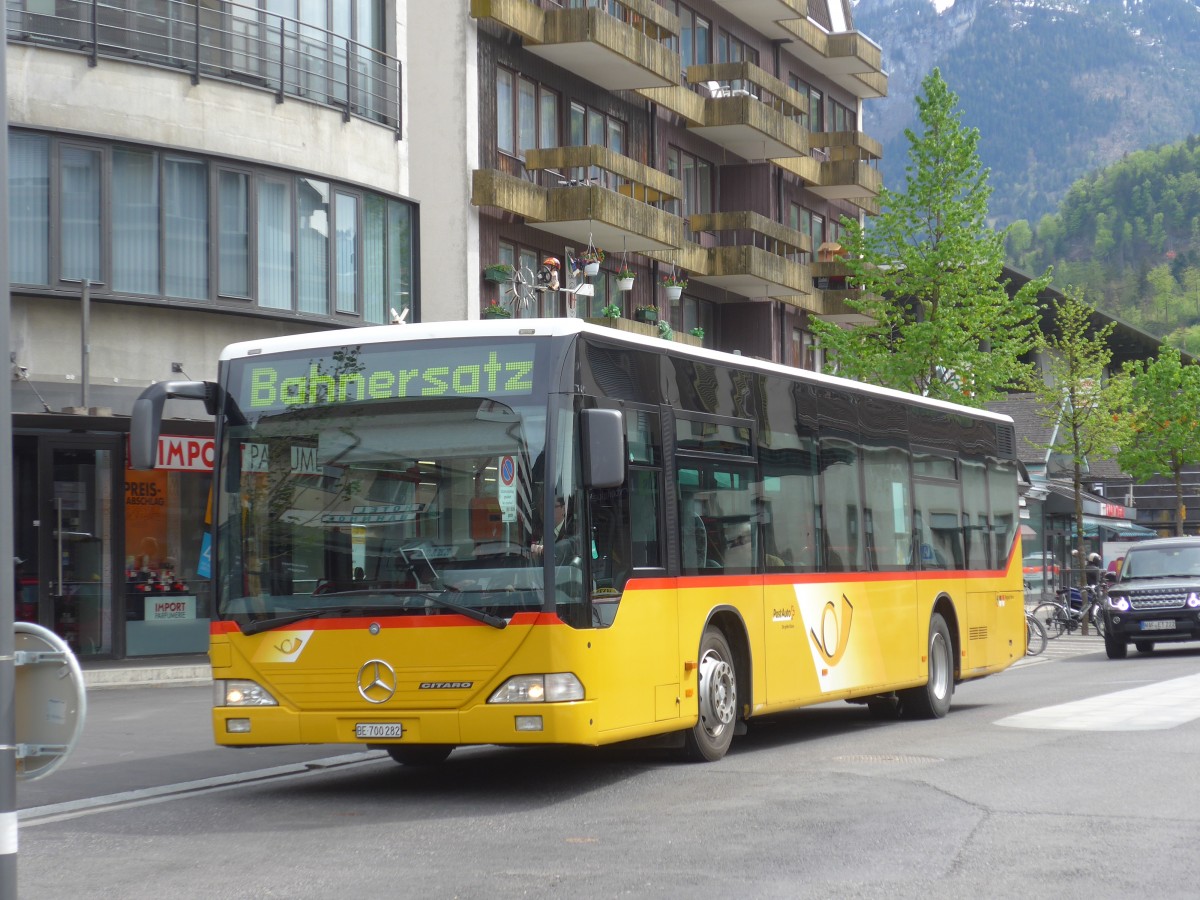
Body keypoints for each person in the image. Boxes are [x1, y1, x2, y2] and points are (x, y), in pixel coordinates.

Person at [531, 497, 579, 565]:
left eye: (551, 506)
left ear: (563, 509)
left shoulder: (573, 530)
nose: (545, 510)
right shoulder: (535, 529)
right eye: (542, 506)